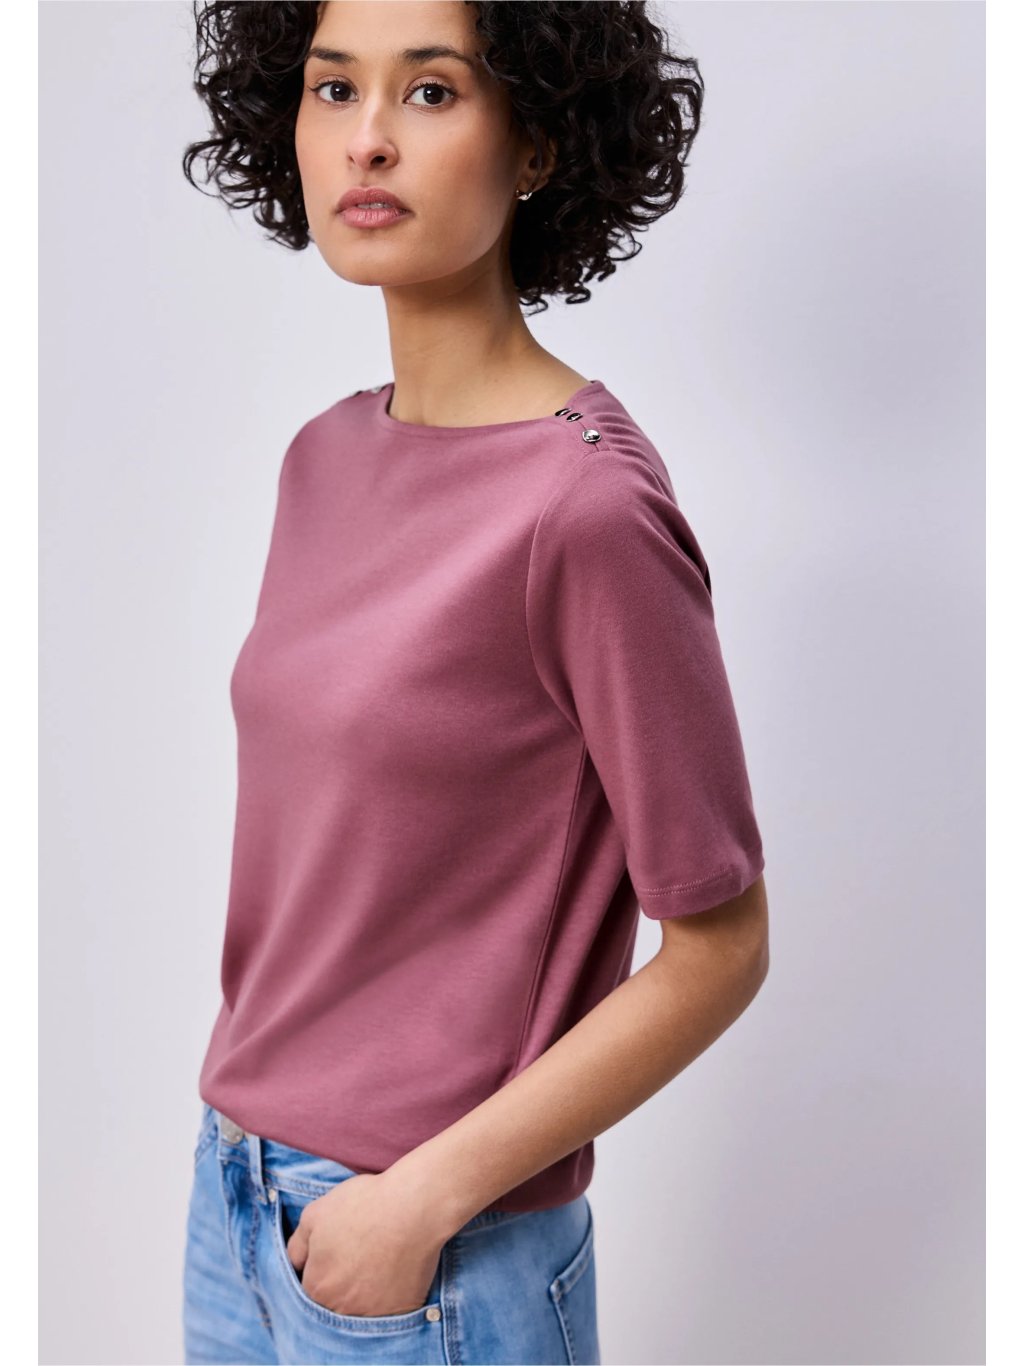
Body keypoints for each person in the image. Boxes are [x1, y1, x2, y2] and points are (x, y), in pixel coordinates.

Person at [179, 2, 770, 1363]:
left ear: (540, 145)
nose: (367, 141)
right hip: (236, 1194)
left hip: (430, 1257)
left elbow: (723, 945)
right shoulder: (322, 459)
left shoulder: (588, 511)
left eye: (432, 93)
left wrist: (420, 1201)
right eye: (334, 89)